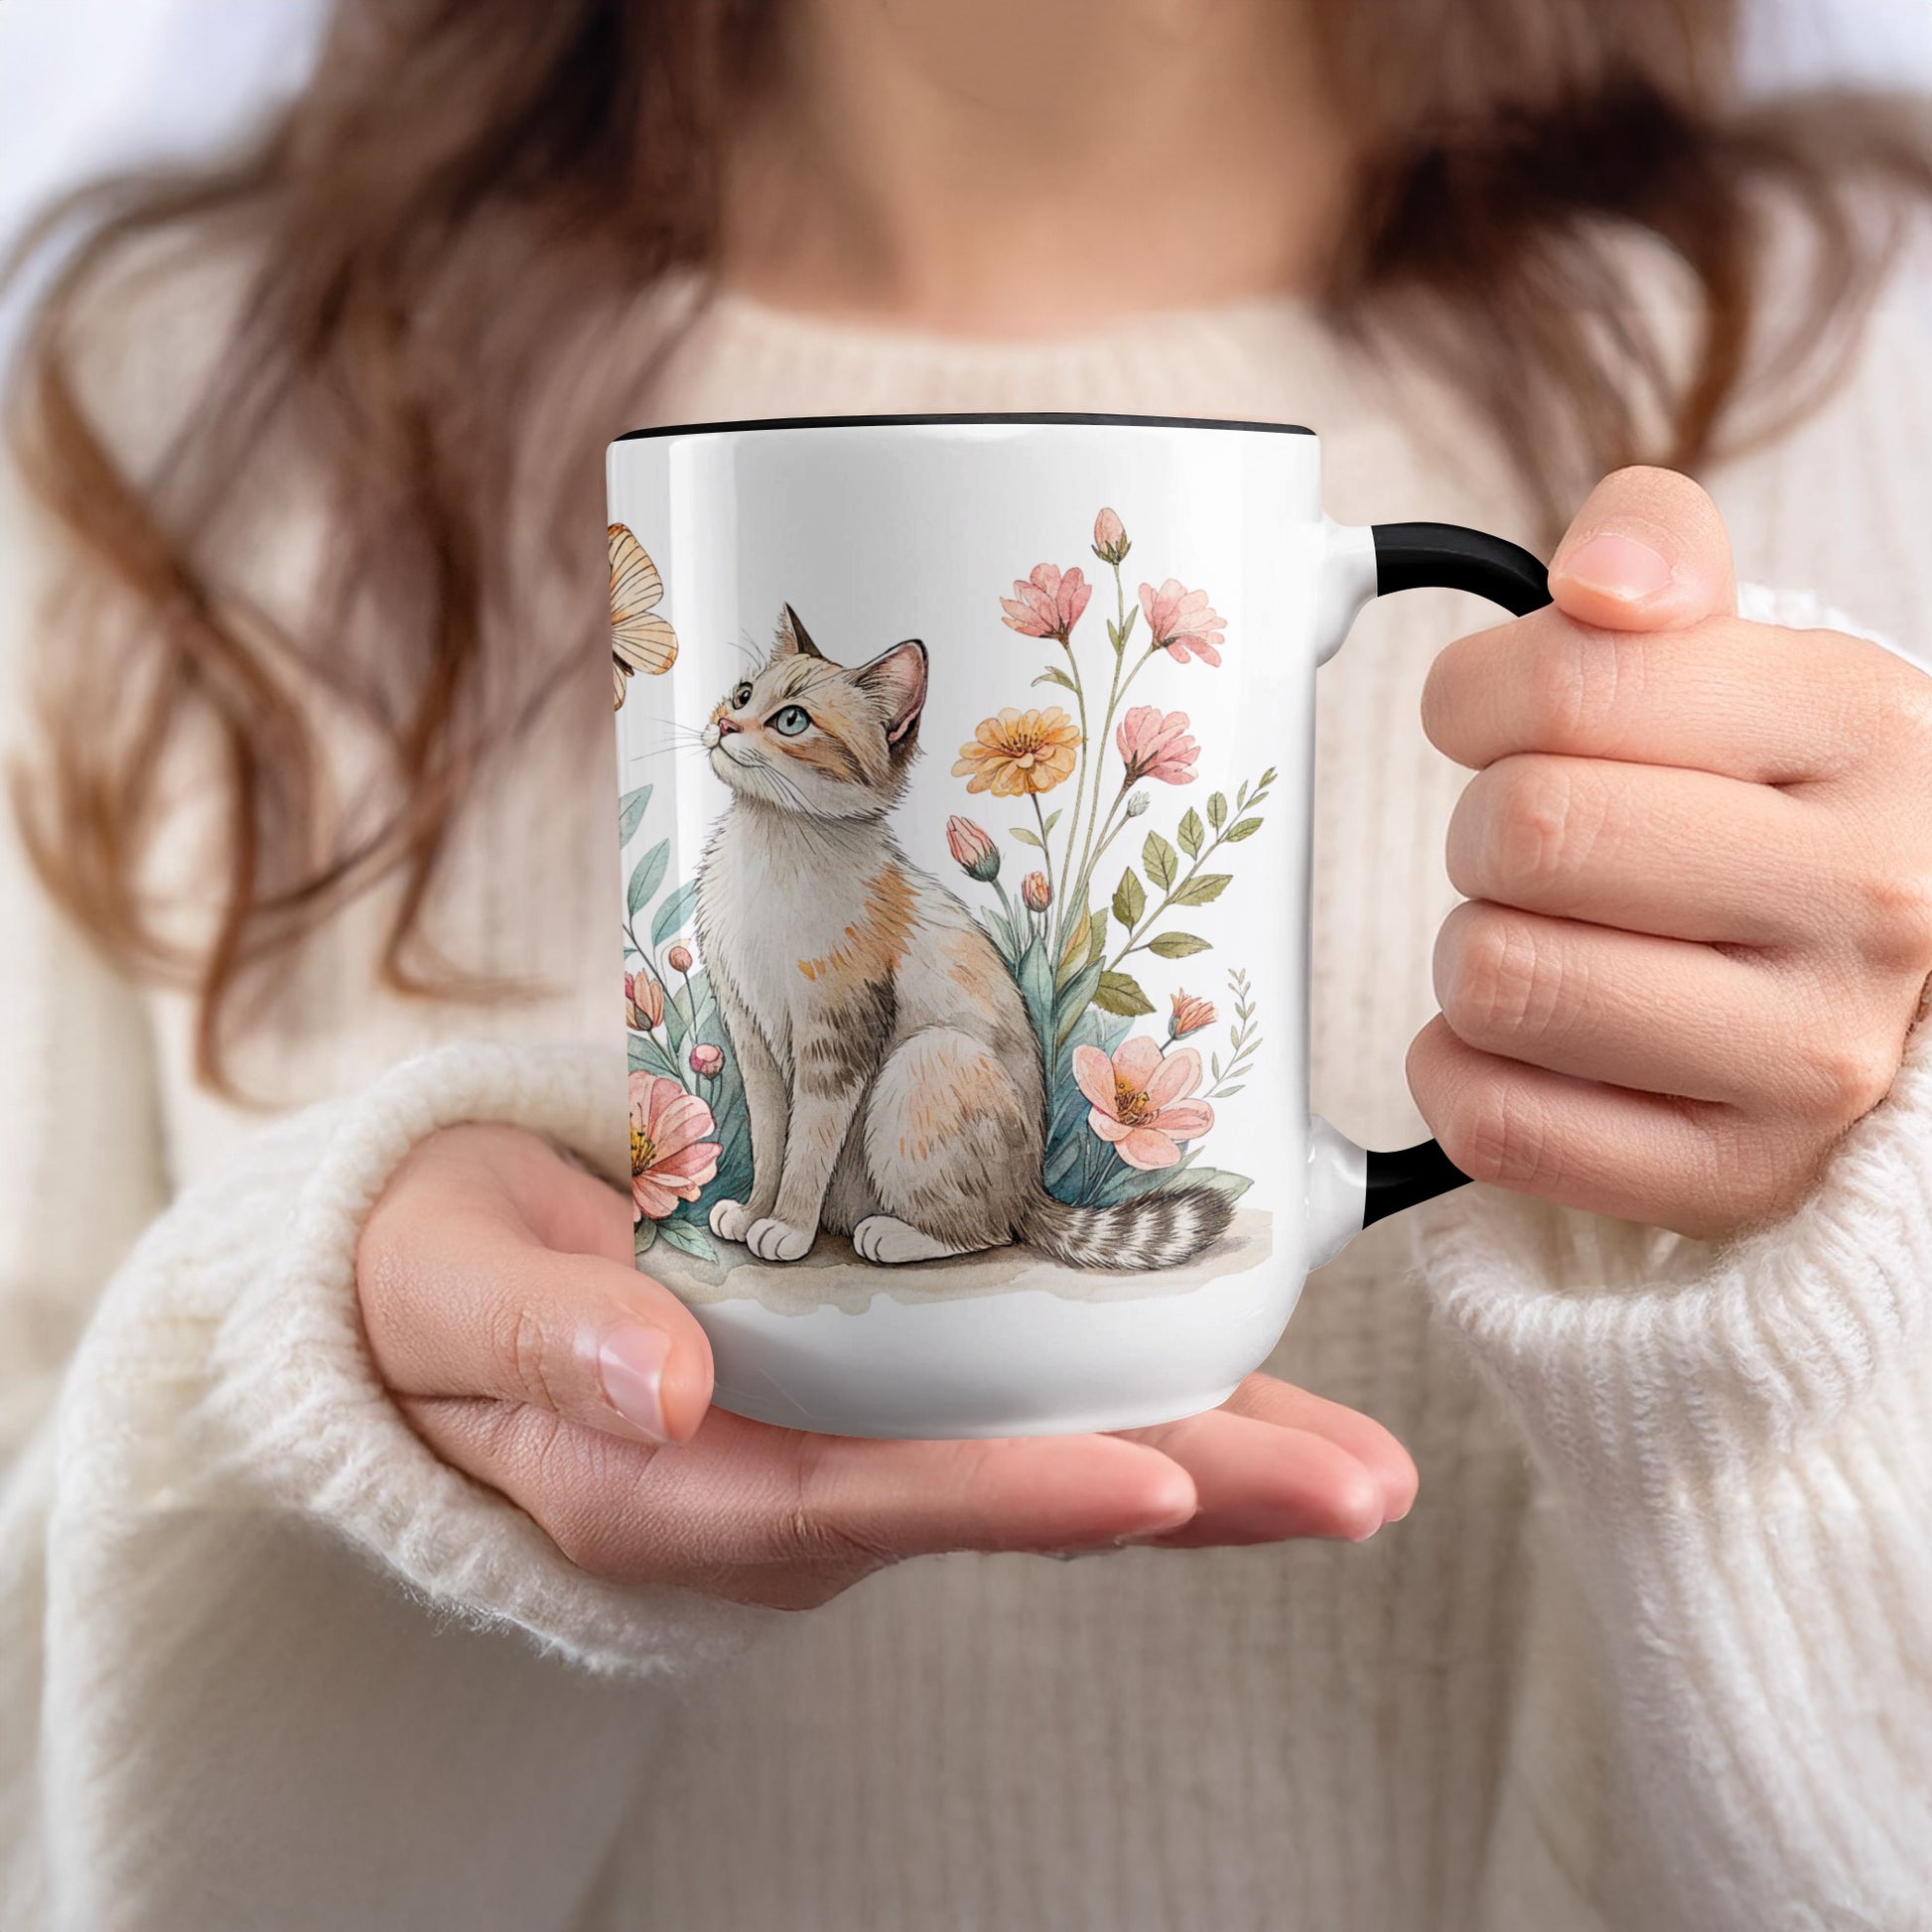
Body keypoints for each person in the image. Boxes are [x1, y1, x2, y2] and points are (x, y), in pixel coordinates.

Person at [3, 2, 1930, 1927]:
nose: (746, 727)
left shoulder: (1868, 355)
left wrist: (1860, 1203)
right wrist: (304, 1390)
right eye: (740, 705)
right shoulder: (159, 395)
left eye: (790, 715)